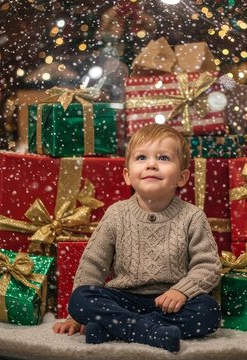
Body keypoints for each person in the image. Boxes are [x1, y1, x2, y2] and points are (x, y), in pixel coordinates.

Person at [52, 124, 222, 352]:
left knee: (208, 310)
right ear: (127, 175)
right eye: (142, 157)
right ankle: (148, 330)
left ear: (181, 178)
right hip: (122, 298)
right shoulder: (116, 214)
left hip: (169, 303)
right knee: (81, 298)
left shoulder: (192, 216)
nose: (151, 164)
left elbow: (208, 266)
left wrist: (181, 291)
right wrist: (76, 315)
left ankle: (113, 327)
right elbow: (94, 263)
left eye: (163, 158)